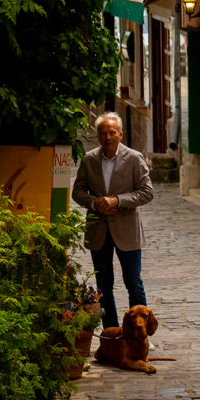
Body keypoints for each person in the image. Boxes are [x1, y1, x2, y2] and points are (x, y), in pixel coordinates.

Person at [72, 112, 154, 330]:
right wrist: (94, 202)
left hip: (127, 230)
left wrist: (117, 200)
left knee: (133, 283)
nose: (107, 137)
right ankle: (111, 330)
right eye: (103, 133)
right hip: (99, 230)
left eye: (111, 133)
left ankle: (140, 330)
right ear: (98, 136)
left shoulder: (134, 159)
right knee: (103, 286)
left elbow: (146, 192)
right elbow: (78, 192)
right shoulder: (89, 160)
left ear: (120, 134)